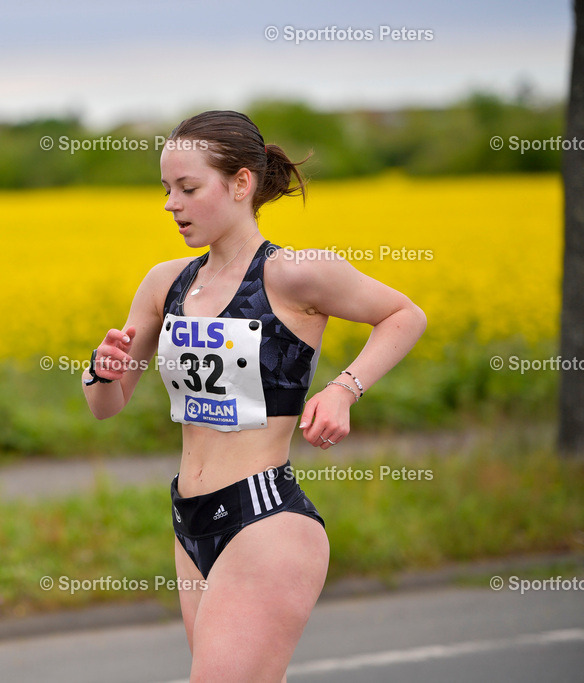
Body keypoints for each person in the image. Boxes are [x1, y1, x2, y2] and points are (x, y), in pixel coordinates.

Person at [81, 110, 426, 682]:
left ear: (242, 184)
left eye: (189, 188)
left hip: (263, 520)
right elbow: (106, 406)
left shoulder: (294, 273)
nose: (171, 204)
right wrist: (102, 370)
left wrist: (344, 388)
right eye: (166, 189)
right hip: (189, 520)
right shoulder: (166, 282)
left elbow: (403, 314)